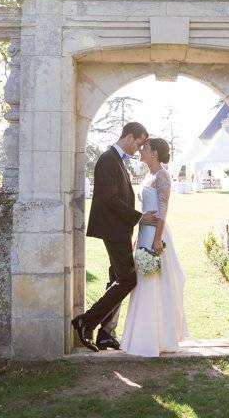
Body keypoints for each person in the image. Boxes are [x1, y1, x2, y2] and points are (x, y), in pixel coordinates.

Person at [71, 122, 157, 352]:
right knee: (128, 280)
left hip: (119, 230)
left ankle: (106, 334)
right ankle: (86, 321)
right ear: (129, 137)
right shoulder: (108, 159)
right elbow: (110, 200)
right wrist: (139, 218)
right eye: (139, 144)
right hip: (113, 229)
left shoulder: (117, 160)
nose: (139, 149)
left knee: (116, 279)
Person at [120, 137, 188, 356]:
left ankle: (156, 338)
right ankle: (142, 336)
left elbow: (162, 210)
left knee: (154, 282)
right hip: (144, 234)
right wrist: (139, 237)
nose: (141, 150)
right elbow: (145, 210)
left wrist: (157, 239)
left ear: (155, 153)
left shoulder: (162, 175)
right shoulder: (149, 175)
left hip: (155, 234)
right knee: (142, 282)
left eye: (145, 148)